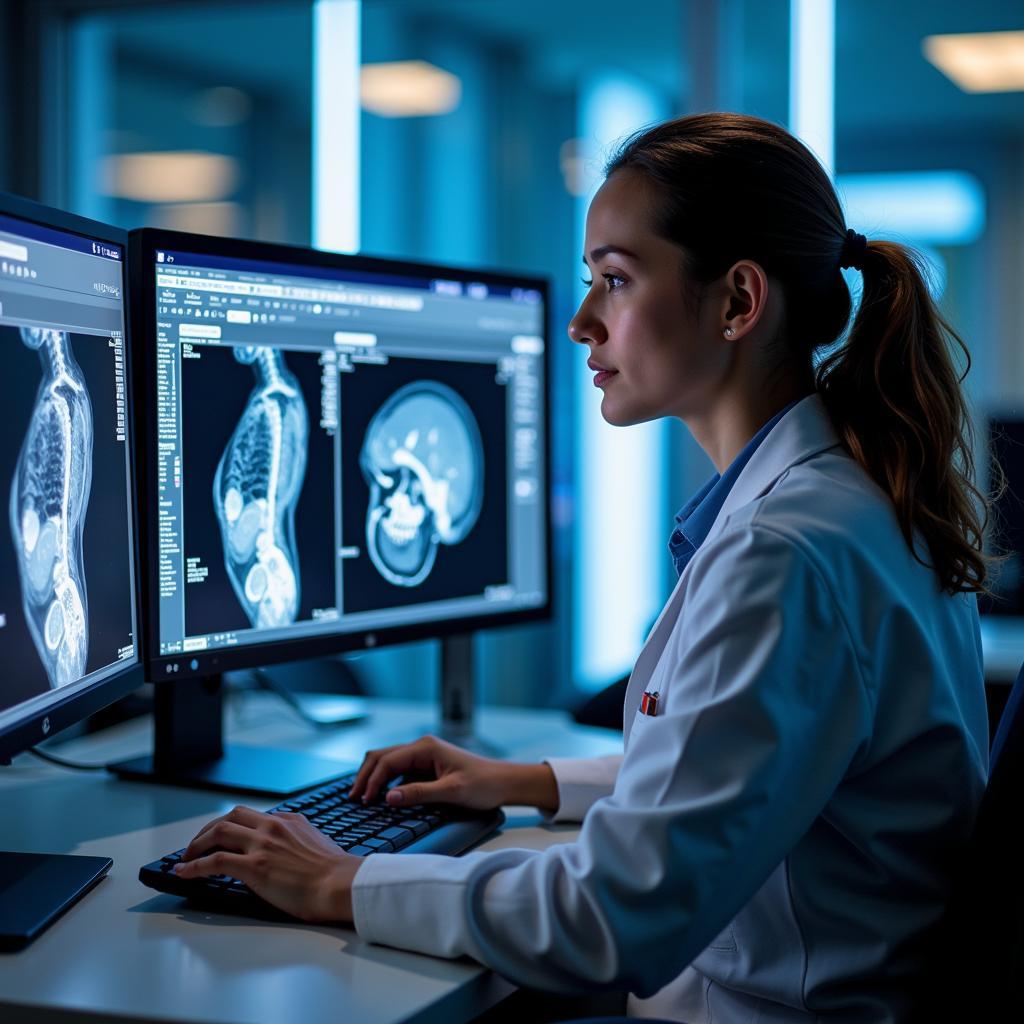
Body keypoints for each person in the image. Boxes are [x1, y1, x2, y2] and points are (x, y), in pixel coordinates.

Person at [174, 113, 991, 1023]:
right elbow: (756, 773)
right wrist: (524, 781)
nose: (579, 322)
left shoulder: (785, 552)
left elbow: (614, 916)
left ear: (737, 303)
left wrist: (343, 881)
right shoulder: (854, 493)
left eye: (614, 280)